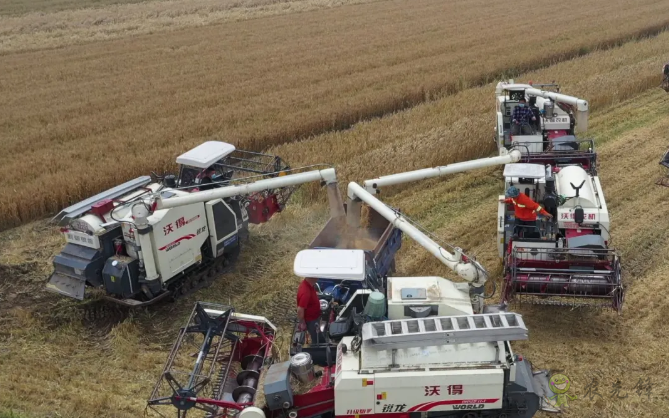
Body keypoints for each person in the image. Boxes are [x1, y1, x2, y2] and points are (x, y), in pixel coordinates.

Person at [296, 276, 324, 344]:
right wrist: (302, 323)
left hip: (315, 318)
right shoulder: (305, 293)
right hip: (311, 321)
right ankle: (317, 350)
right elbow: (300, 310)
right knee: (316, 337)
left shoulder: (308, 284)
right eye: (317, 276)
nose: (318, 277)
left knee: (318, 334)